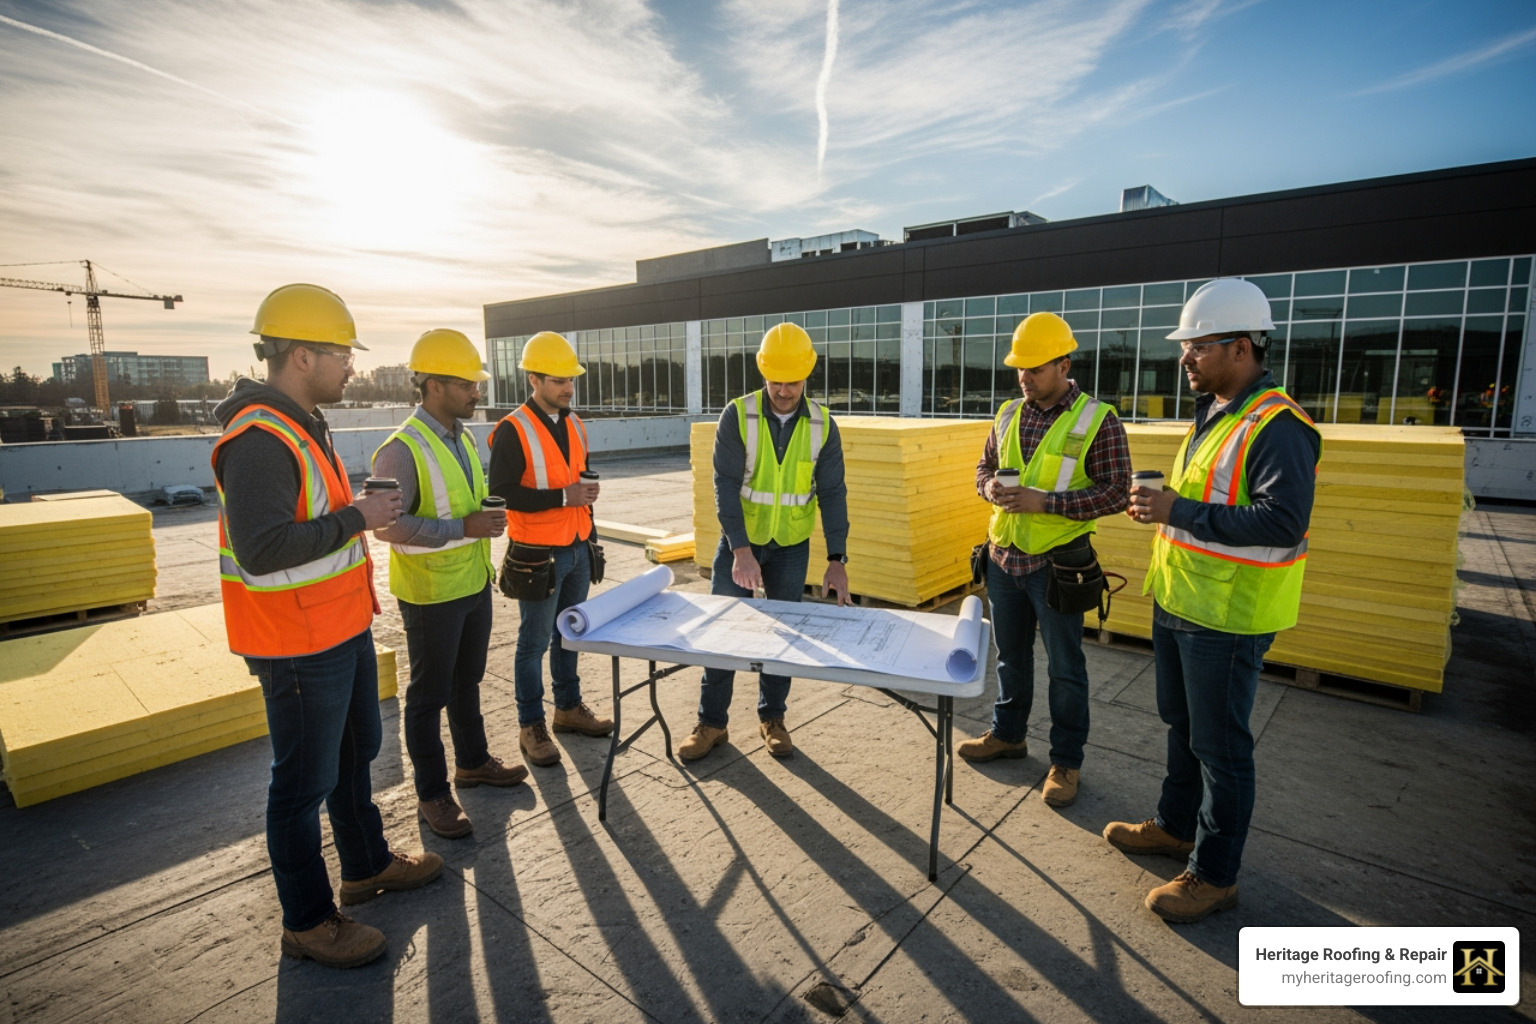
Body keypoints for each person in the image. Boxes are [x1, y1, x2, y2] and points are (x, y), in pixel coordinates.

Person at [213, 284, 442, 969]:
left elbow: (313, 523)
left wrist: (353, 513)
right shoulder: (260, 437)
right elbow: (262, 549)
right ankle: (308, 921)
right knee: (301, 785)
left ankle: (366, 865)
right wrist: (357, 519)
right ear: (303, 355)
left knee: (355, 753)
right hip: (293, 643)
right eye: (343, 354)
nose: (351, 366)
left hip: (337, 629)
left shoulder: (304, 424)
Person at [1106, 278, 1321, 923]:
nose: (1185, 357)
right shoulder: (1215, 412)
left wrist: (1178, 509)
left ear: (1242, 347)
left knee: (1222, 749)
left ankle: (1215, 875)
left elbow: (1282, 521)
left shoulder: (1279, 425)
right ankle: (1176, 827)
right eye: (1186, 346)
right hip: (1181, 600)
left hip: (1228, 616)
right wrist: (1162, 508)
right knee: (1182, 725)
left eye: (1198, 346)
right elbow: (1206, 502)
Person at [960, 311, 1131, 810]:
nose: (1025, 377)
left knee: (1065, 667)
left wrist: (1046, 502)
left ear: (1063, 365)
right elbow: (984, 467)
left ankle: (1066, 761)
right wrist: (988, 487)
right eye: (1020, 368)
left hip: (1058, 566)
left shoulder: (1098, 419)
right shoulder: (1008, 413)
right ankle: (1008, 735)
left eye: (1035, 368)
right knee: (1010, 658)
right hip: (1003, 558)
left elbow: (1116, 492)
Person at [371, 329, 529, 841]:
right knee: (428, 697)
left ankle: (473, 762)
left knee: (467, 681)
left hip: (472, 582)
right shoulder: (400, 450)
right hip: (430, 594)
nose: (476, 392)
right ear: (434, 386)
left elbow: (458, 503)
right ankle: (433, 794)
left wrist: (481, 518)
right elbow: (386, 527)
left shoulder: (463, 437)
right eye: (466, 384)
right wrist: (464, 527)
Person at [678, 322, 851, 763]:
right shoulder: (739, 414)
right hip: (740, 544)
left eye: (792, 382)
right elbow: (724, 484)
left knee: (783, 638)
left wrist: (837, 559)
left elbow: (833, 492)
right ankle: (711, 722)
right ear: (763, 373)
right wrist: (740, 551)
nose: (784, 391)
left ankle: (773, 718)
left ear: (806, 376)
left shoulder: (822, 424)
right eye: (776, 381)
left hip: (791, 546)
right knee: (723, 633)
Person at [486, 331, 612, 769]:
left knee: (570, 633)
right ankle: (530, 725)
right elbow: (501, 493)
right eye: (559, 381)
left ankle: (568, 708)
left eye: (571, 380)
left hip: (577, 547)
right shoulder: (513, 429)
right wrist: (564, 497)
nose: (568, 388)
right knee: (533, 642)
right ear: (534, 380)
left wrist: (589, 528)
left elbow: (579, 483)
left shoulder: (574, 423)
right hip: (538, 554)